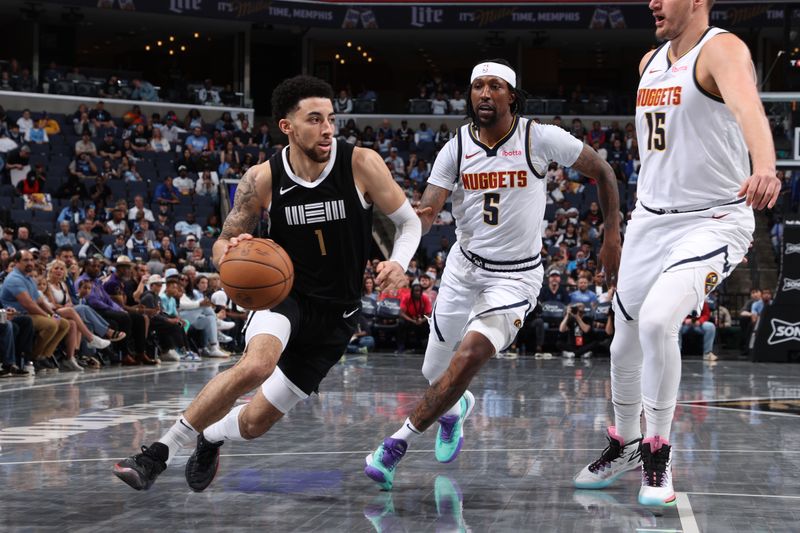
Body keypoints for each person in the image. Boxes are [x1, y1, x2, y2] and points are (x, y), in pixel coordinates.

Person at [113, 74, 421, 491]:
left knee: (256, 422)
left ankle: (212, 436)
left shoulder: (360, 163)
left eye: (331, 118)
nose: (328, 128)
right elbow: (221, 245)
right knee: (256, 365)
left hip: (338, 315)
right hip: (284, 296)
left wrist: (399, 263)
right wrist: (234, 251)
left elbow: (408, 222)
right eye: (315, 119)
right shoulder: (263, 178)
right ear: (287, 127)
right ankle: (157, 454)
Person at [365, 59, 621, 490]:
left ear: (512, 97)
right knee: (436, 373)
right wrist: (403, 249)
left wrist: (611, 233)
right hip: (463, 270)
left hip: (515, 279)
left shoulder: (539, 138)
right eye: (478, 86)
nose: (485, 93)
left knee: (466, 359)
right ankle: (453, 411)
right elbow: (426, 215)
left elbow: (604, 171)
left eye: (495, 86)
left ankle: (395, 444)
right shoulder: (457, 148)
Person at [573, 0, 781, 507]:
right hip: (652, 218)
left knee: (657, 321)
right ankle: (623, 441)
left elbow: (748, 108)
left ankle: (658, 451)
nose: (652, 3)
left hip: (712, 217)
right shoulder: (648, 62)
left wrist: (767, 165)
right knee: (623, 339)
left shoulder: (722, 49)